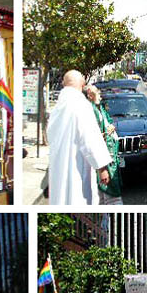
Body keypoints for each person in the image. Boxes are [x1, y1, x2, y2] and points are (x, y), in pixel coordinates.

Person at [47, 70, 112, 205]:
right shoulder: (81, 105)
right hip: (76, 168)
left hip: (58, 168)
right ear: (82, 84)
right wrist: (102, 168)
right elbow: (90, 140)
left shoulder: (57, 108)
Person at [85, 84, 123, 204]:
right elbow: (92, 138)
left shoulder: (99, 108)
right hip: (104, 159)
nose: (100, 95)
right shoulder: (89, 110)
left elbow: (109, 123)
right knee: (111, 196)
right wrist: (102, 169)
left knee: (102, 197)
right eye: (97, 92)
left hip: (109, 157)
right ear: (90, 95)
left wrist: (111, 127)